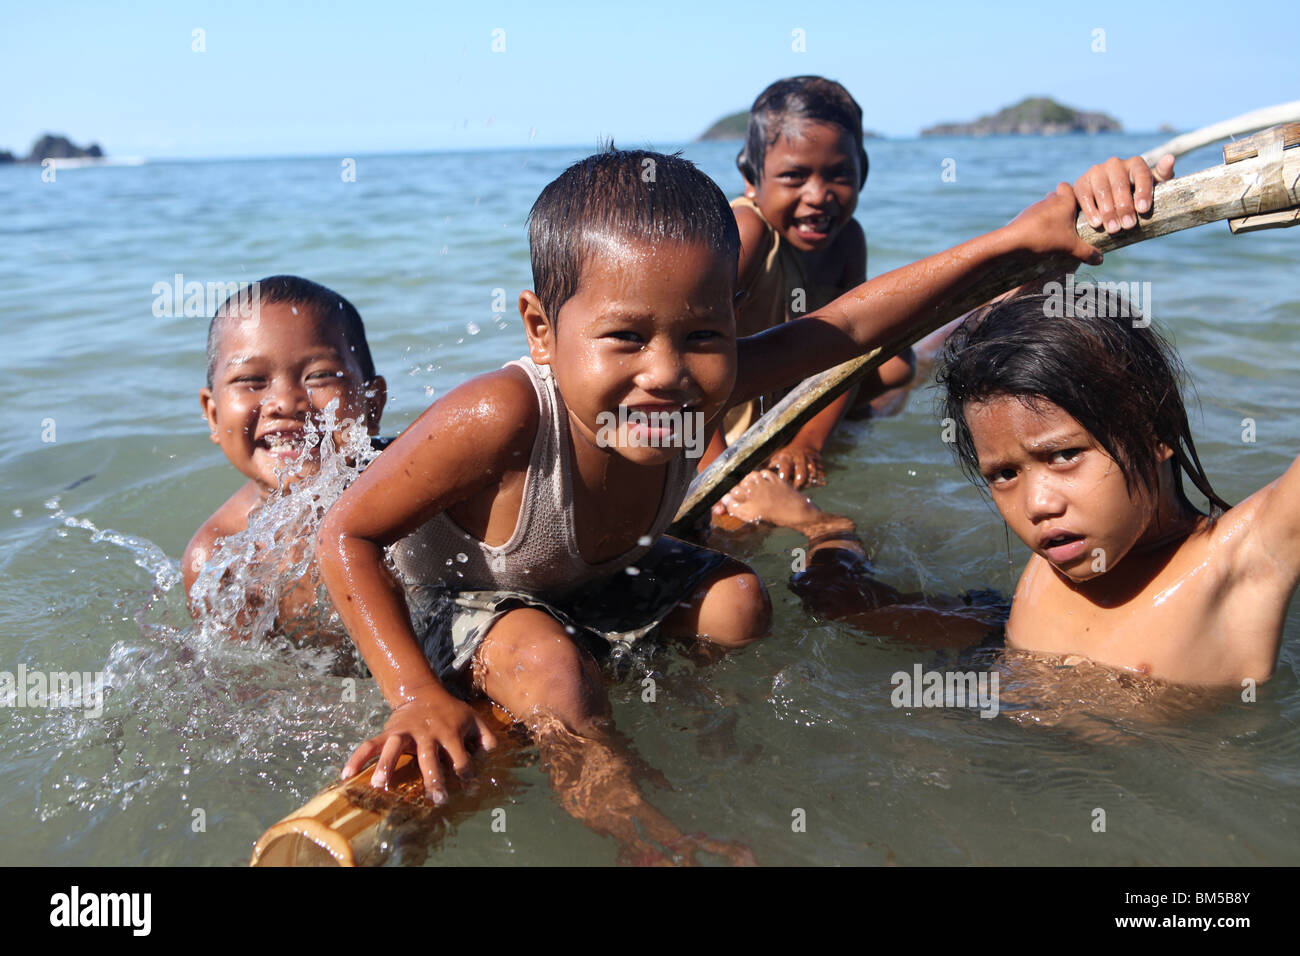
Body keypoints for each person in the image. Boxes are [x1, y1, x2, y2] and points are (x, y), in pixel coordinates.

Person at [314, 146, 1101, 852]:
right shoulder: (502, 415)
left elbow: (851, 325)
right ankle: (646, 836)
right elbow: (346, 534)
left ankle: (699, 740)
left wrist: (1013, 243)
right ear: (542, 330)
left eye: (702, 335)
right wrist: (413, 694)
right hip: (460, 596)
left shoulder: (698, 389)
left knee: (738, 603)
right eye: (625, 338)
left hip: (585, 584)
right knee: (553, 667)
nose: (667, 372)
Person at [698, 76, 917, 489]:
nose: (818, 195)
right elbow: (689, 352)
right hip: (717, 407)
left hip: (792, 387)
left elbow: (853, 349)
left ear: (863, 173)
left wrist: (807, 444)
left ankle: (819, 424)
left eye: (838, 175)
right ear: (751, 176)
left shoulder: (848, 239)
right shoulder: (748, 231)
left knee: (896, 364)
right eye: (794, 176)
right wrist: (714, 472)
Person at [182, 275, 387, 643]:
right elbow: (245, 687)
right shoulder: (218, 559)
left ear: (373, 405)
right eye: (251, 380)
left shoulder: (410, 487)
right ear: (213, 415)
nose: (285, 401)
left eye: (320, 375)